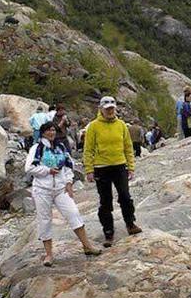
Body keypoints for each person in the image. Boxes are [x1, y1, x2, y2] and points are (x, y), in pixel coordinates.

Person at [26, 119, 101, 266]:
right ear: (42, 133)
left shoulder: (60, 147)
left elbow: (68, 166)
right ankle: (48, 254)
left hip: (60, 188)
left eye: (53, 130)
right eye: (48, 130)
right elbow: (29, 168)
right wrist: (47, 170)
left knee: (73, 213)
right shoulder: (36, 148)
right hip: (42, 189)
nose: (51, 132)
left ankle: (87, 246)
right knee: (45, 219)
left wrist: (69, 182)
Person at [83, 96, 140, 247]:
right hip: (101, 168)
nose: (110, 111)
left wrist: (131, 167)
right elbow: (88, 150)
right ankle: (108, 232)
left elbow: (128, 147)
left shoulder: (121, 125)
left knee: (125, 196)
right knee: (105, 201)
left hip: (120, 165)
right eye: (107, 108)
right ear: (101, 109)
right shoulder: (93, 126)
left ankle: (130, 224)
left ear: (115, 109)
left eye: (112, 108)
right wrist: (89, 170)